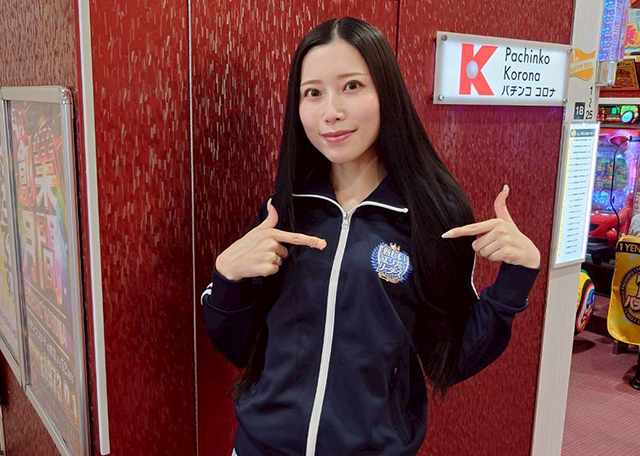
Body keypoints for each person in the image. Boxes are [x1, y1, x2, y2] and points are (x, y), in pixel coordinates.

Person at [201, 17, 541, 456]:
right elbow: (241, 347)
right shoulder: (283, 211)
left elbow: (454, 357)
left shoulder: (431, 215)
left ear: (386, 92)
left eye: (352, 86)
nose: (331, 112)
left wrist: (516, 279)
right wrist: (226, 278)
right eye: (313, 93)